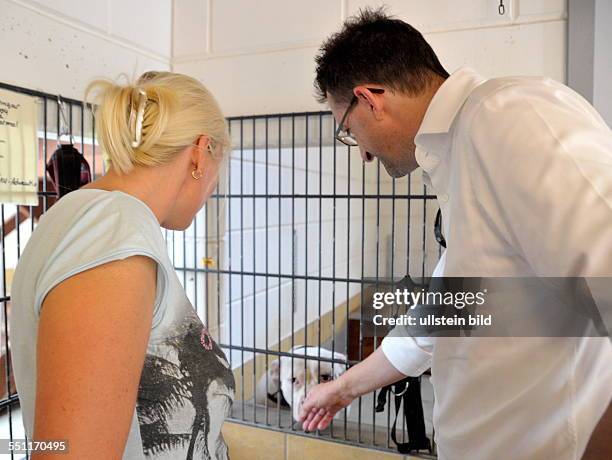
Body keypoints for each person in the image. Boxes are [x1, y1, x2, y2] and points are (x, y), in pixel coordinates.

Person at [298, 8, 612, 460]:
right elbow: (446, 314)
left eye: (347, 131)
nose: (362, 153)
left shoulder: (510, 117)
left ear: (369, 99)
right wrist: (343, 389)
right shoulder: (460, 155)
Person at [10, 71, 235, 459]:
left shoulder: (90, 215)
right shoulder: (114, 235)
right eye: (218, 172)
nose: (211, 192)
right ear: (201, 154)